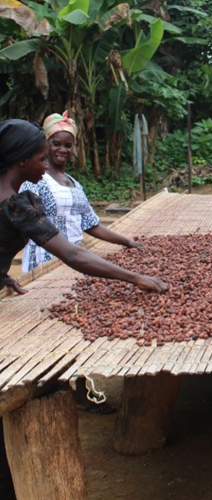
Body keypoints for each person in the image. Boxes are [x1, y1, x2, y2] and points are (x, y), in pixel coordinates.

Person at [0, 119, 168, 412]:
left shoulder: (16, 198)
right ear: (22, 160)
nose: (44, 166)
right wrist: (135, 278)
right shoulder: (16, 205)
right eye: (41, 159)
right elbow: (73, 255)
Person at [21, 111, 141, 273]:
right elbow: (30, 223)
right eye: (56, 144)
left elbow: (91, 224)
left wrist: (127, 242)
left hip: (75, 259)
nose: (62, 149)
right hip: (45, 260)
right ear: (45, 144)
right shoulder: (36, 179)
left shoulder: (74, 184)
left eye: (68, 145)